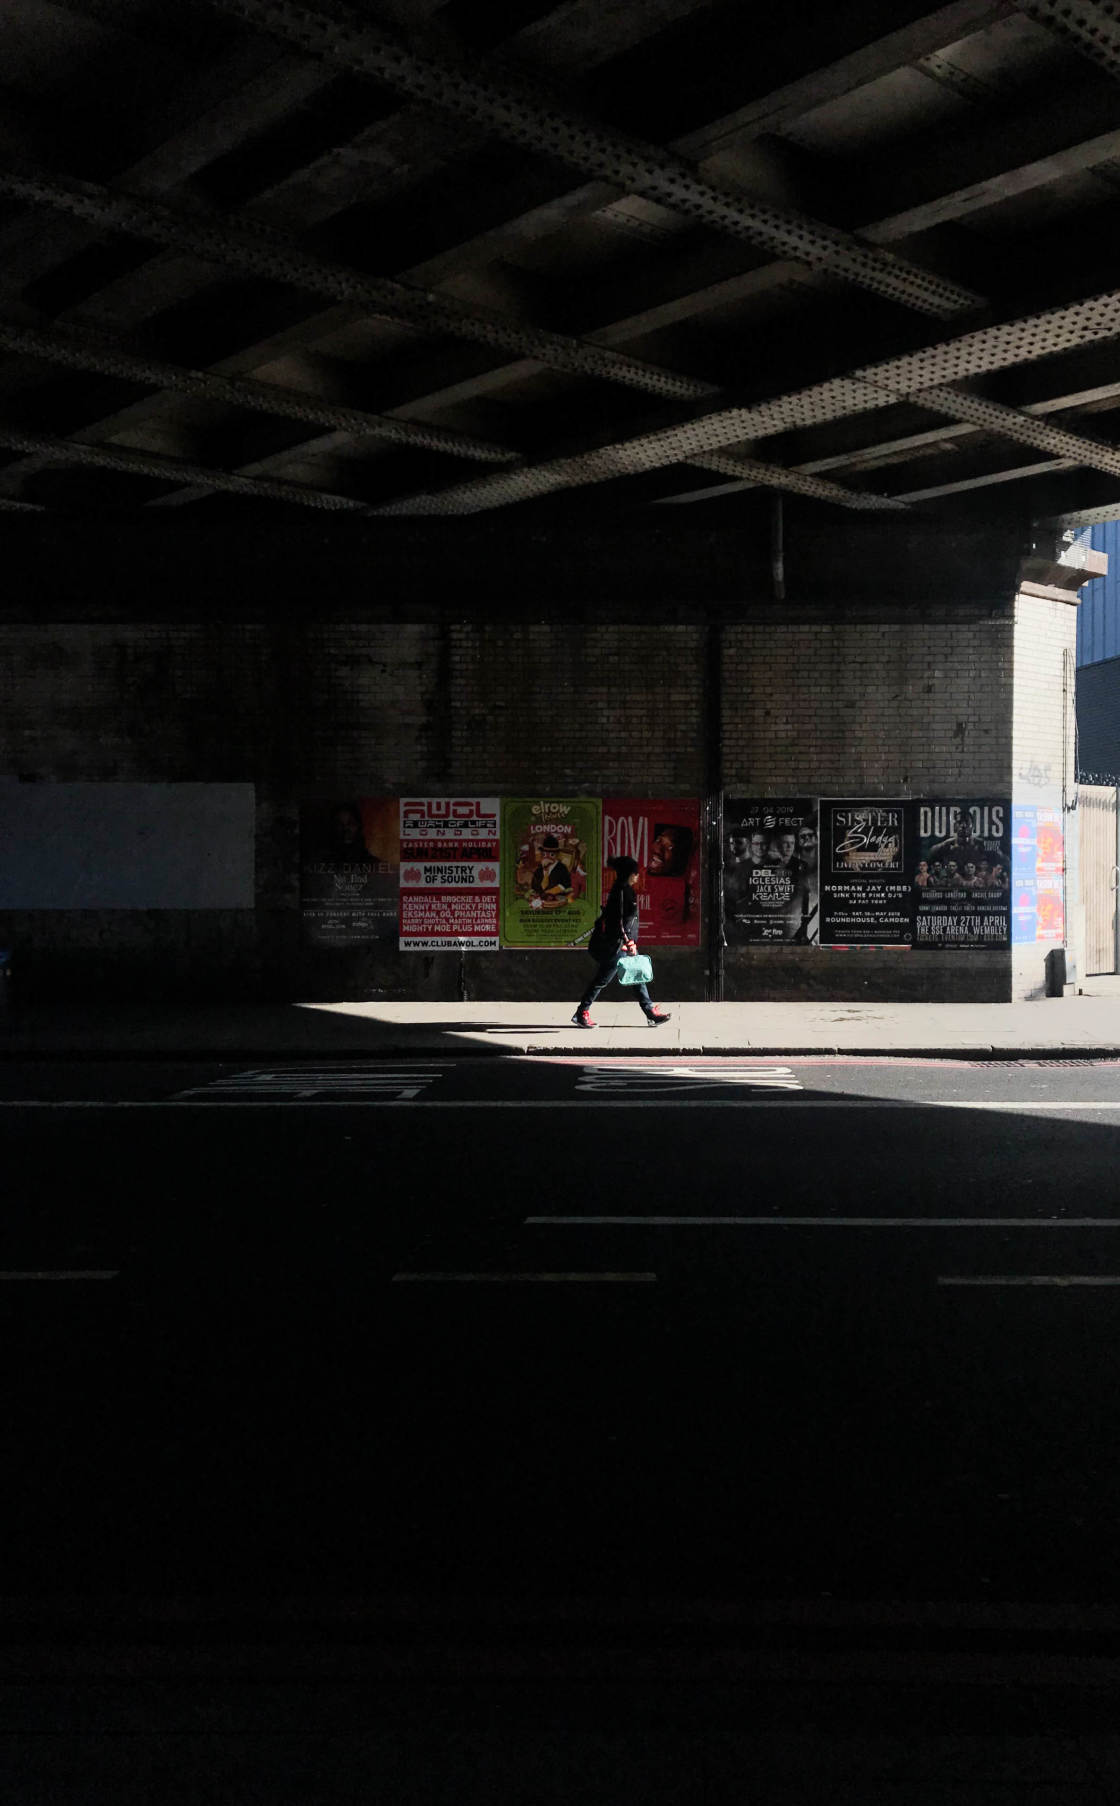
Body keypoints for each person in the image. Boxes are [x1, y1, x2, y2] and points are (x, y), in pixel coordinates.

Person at [572, 856, 671, 1028]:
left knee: (638, 976)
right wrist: (627, 941)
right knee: (602, 980)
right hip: (617, 945)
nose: (638, 876)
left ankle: (650, 1013)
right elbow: (618, 920)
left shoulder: (623, 889)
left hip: (623, 943)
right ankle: (581, 1013)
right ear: (629, 874)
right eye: (635, 873)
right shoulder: (622, 891)